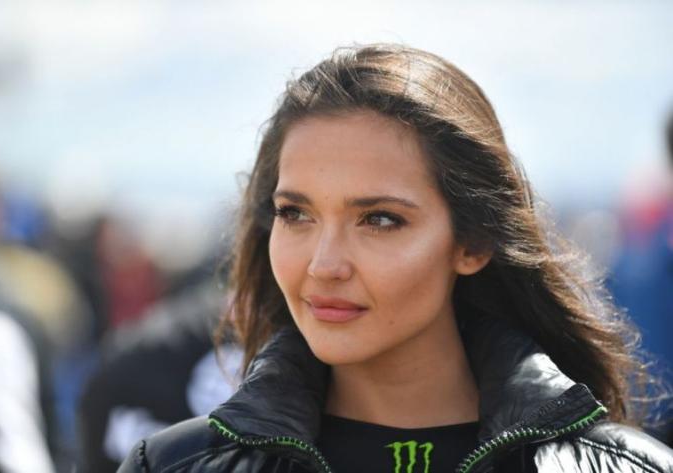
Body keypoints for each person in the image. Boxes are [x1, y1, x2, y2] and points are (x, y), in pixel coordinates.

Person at [118, 44, 673, 473]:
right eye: (296, 214)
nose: (324, 265)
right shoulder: (170, 466)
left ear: (473, 243)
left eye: (379, 220)